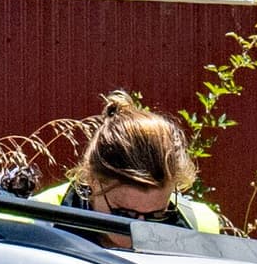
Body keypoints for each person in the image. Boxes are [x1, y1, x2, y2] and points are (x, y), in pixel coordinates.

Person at [37, 94, 228, 232]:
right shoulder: (35, 221)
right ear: (92, 180)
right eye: (124, 215)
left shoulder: (200, 226)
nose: (140, 231)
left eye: (158, 215)